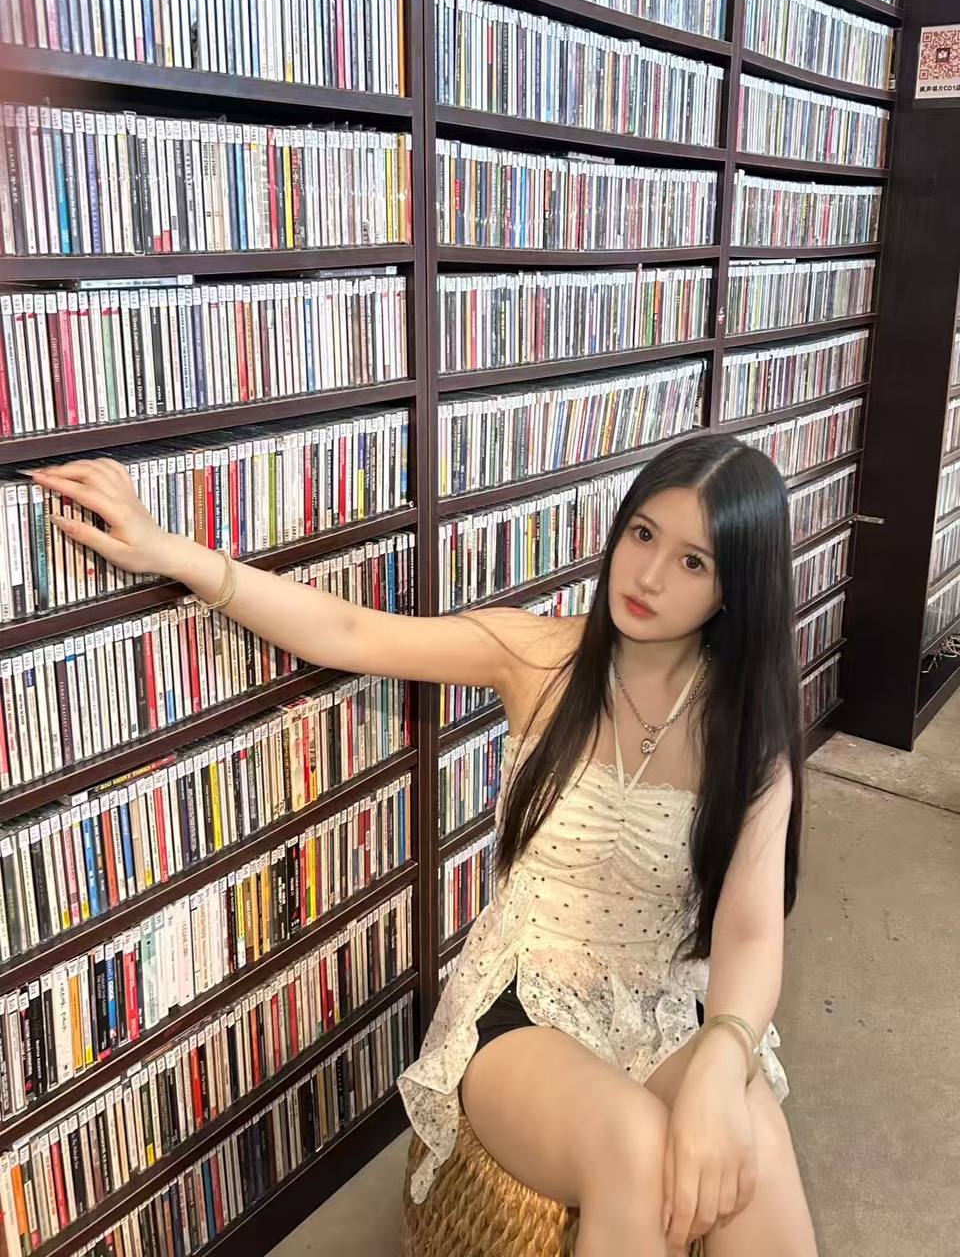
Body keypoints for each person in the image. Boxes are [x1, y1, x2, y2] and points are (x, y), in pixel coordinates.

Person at [30, 432, 818, 1257]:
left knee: (756, 1149)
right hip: (524, 1000)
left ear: (736, 587)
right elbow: (349, 631)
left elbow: (750, 930)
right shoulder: (540, 658)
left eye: (693, 562)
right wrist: (168, 550)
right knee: (636, 1148)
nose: (648, 576)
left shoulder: (746, 731)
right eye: (643, 534)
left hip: (661, 1003)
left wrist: (724, 1054)